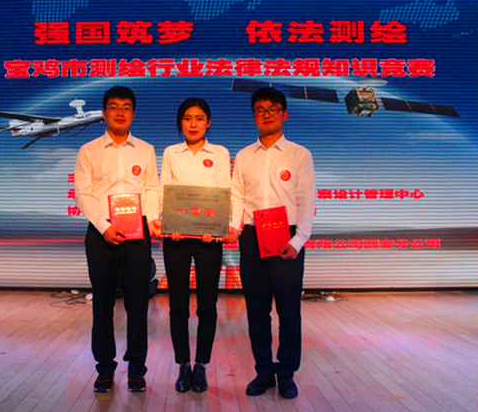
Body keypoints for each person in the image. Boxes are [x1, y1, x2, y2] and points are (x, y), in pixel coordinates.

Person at [74, 85, 161, 393]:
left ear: (133, 114)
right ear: (104, 113)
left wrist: (152, 220)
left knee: (138, 304)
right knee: (103, 304)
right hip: (102, 235)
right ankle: (105, 368)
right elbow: (83, 194)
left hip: (137, 234)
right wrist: (104, 226)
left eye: (126, 107)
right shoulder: (88, 151)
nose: (120, 112)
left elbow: (151, 188)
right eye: (114, 106)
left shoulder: (146, 150)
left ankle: (136, 368)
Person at [231, 87, 316, 399]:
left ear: (284, 114)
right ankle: (264, 371)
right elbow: (237, 197)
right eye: (260, 110)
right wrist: (233, 227)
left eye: (272, 109)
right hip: (252, 236)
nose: (266, 114)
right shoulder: (243, 156)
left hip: (287, 237)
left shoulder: (299, 154)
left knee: (289, 309)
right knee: (257, 310)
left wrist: (299, 239)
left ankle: (287, 372)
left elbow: (307, 201)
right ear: (254, 116)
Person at [155, 98, 238, 393]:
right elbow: (164, 192)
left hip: (208, 241)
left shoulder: (220, 153)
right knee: (178, 306)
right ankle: (183, 365)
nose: (193, 124)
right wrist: (169, 224)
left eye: (199, 118)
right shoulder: (170, 153)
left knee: (207, 306)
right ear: (180, 123)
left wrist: (217, 228)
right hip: (176, 240)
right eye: (188, 118)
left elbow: (225, 193)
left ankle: (201, 365)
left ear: (208, 122)